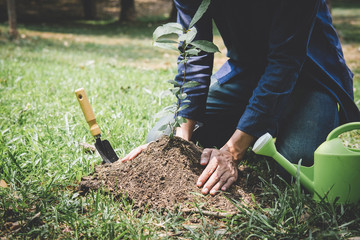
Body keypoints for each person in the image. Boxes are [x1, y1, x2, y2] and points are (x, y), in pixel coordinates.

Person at [122, 0, 360, 196]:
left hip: (311, 75)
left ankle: (282, 119)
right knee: (161, 139)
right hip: (248, 71)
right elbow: (194, 54)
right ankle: (264, 121)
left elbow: (285, 63)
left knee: (297, 162)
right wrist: (181, 141)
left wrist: (232, 151)